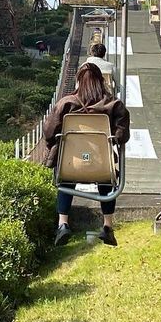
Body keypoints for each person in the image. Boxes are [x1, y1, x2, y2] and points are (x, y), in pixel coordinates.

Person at [42, 62, 130, 248]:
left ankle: (63, 223)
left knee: (65, 178)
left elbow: (49, 131)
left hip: (71, 165)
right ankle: (107, 226)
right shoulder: (114, 104)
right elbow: (123, 136)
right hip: (101, 165)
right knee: (107, 180)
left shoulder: (66, 103)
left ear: (78, 81)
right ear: (100, 81)